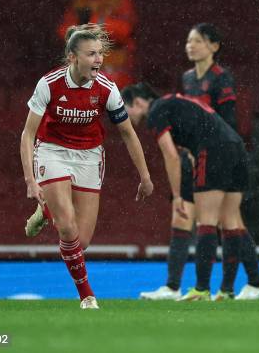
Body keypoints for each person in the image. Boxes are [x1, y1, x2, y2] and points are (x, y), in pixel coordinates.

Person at [20, 23, 153, 309]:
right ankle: (87, 295)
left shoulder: (107, 89)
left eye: (100, 54)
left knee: (82, 241)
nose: (99, 60)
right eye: (91, 54)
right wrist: (30, 180)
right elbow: (28, 133)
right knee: (67, 227)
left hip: (89, 157)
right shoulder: (49, 84)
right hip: (53, 151)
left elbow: (128, 132)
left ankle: (46, 210)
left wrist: (145, 175)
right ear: (72, 57)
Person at [136, 23, 259, 301]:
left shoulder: (221, 78)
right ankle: (176, 286)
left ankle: (241, 284)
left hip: (215, 151)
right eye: (188, 41)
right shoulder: (188, 79)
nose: (190, 45)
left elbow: (228, 120)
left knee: (224, 219)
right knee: (189, 217)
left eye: (196, 41)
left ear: (214, 46)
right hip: (194, 154)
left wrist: (211, 148)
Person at [58, 0, 138, 89]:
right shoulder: (80, 1)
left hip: (114, 70)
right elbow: (63, 31)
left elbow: (125, 30)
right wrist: (77, 29)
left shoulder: (119, 0)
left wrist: (90, 22)